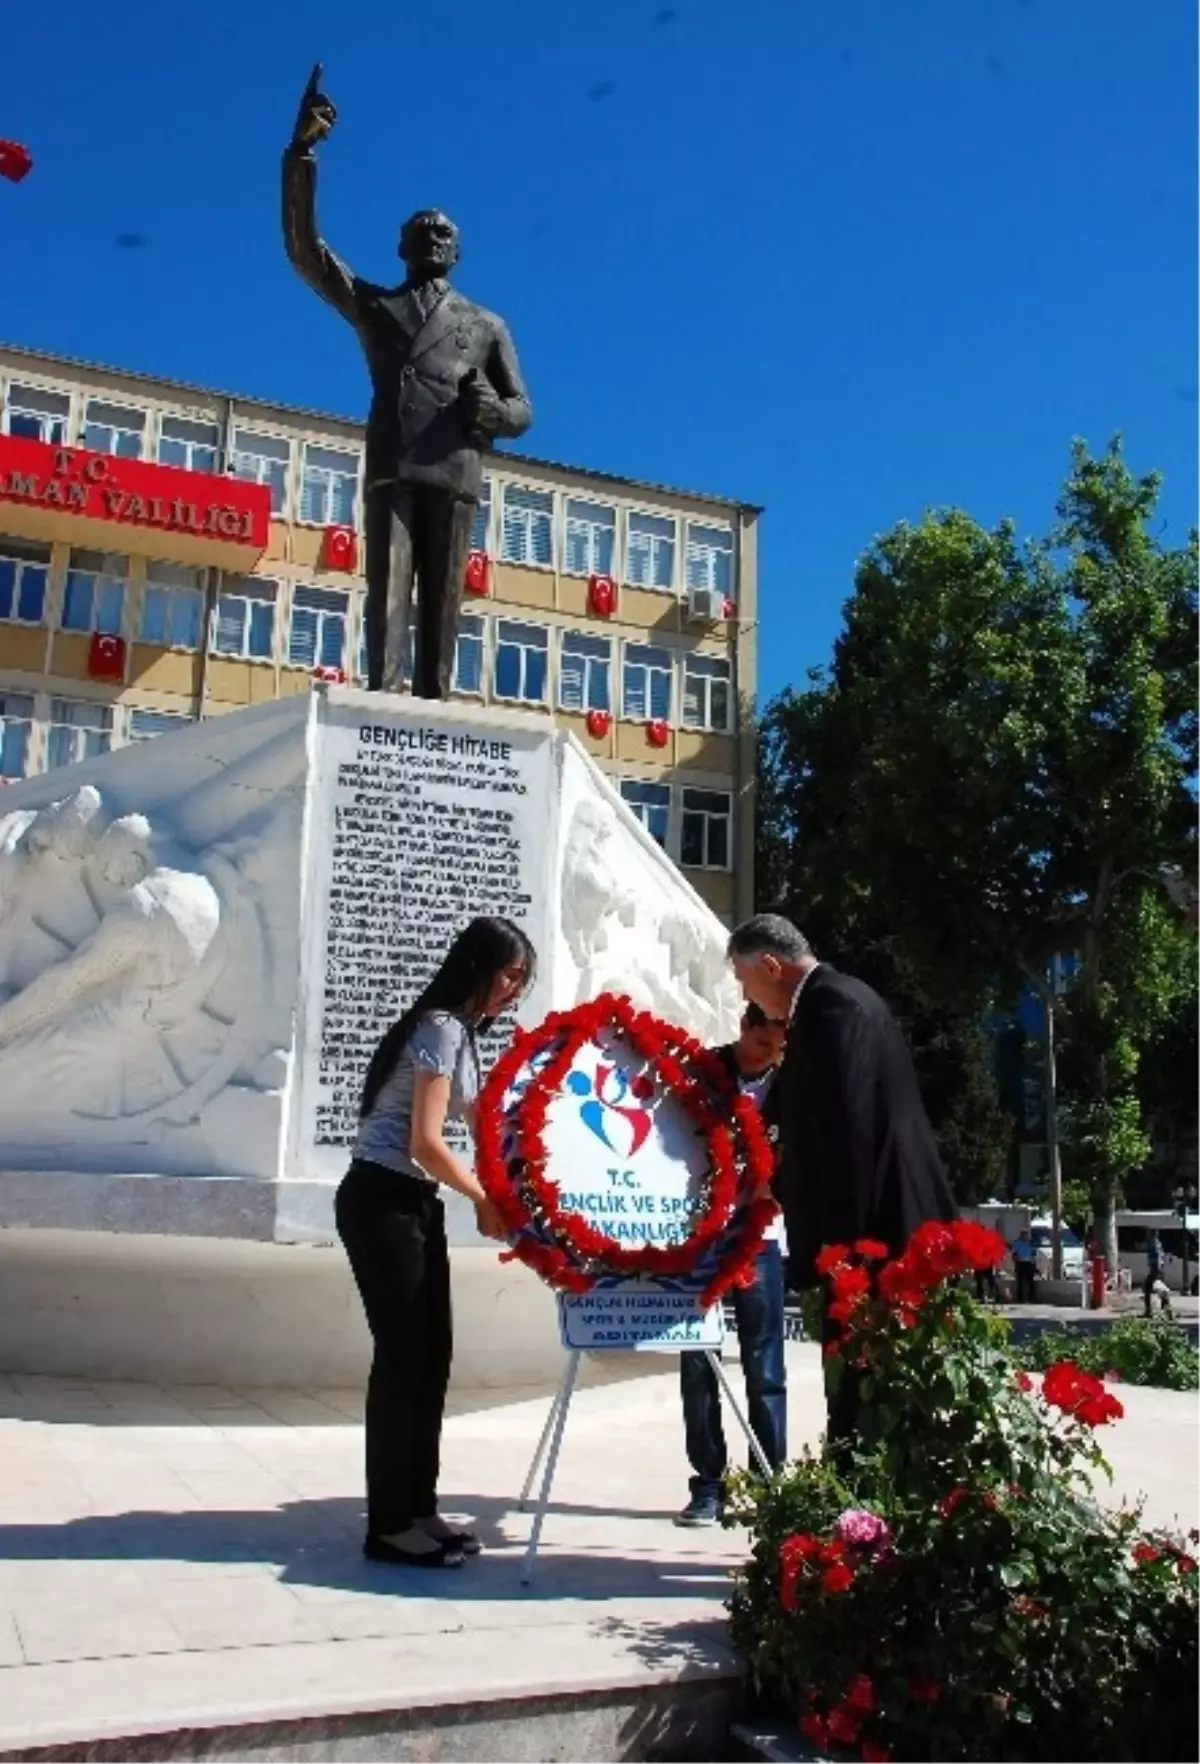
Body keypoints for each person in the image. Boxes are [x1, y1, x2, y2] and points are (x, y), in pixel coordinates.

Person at [282, 66, 532, 699]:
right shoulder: (377, 307)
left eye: (445, 233)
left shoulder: (485, 323)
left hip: (454, 468)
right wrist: (301, 151)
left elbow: (523, 407)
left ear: (458, 252)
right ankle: (384, 701)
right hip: (394, 463)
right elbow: (306, 251)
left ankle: (436, 704)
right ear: (402, 246)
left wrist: (493, 413)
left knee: (444, 602)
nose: (435, 237)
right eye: (423, 231)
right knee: (386, 594)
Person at [335, 916, 534, 1569]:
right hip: (381, 1199)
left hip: (412, 1203)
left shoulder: (463, 1039)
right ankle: (389, 1524)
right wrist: (483, 1200)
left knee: (431, 1358)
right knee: (402, 1361)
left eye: (521, 981)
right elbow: (424, 1141)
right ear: (476, 966)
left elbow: (484, 1130)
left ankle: (418, 1507)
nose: (512, 991)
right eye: (508, 975)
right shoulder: (440, 1028)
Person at [725, 914, 957, 1445]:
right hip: (889, 1221)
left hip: (879, 1234)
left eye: (745, 983)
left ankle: (863, 1518)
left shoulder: (831, 1009)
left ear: (769, 965)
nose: (751, 998)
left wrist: (838, 1253)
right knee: (881, 1396)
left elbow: (842, 1136)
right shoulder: (845, 998)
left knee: (871, 1401)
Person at [675, 1004, 788, 1526]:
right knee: (698, 1362)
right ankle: (709, 1486)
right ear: (743, 1028)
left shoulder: (792, 1087)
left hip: (760, 1237)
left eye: (780, 1049)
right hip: (700, 1237)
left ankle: (768, 1484)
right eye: (764, 1044)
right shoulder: (702, 1073)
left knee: (764, 1365)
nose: (772, 1056)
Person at [1143, 1230, 1172, 1318]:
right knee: (1159, 1289)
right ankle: (1167, 1310)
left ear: (1152, 1235)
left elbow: (1158, 1257)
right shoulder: (1158, 1243)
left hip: (1155, 1270)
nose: (1147, 1237)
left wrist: (1156, 1270)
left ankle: (1149, 1311)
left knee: (1148, 1288)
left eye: (1148, 1235)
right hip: (1158, 1270)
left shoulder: (1154, 1244)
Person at [1011, 1227, 1038, 1304]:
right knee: (1020, 1282)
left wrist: (1034, 1264)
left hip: (1029, 1263)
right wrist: (1016, 1262)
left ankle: (1031, 1299)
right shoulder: (1016, 1243)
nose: (1025, 1236)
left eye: (1026, 1235)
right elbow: (1014, 1254)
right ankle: (1020, 1299)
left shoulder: (1030, 1243)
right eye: (1023, 1235)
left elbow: (1033, 1254)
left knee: (1031, 1282)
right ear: (1020, 1235)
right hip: (1020, 1263)